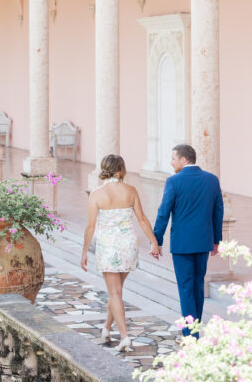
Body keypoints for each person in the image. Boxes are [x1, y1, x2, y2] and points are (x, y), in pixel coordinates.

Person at [81, 154, 160, 353]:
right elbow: (142, 219)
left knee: (114, 292)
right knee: (116, 291)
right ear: (120, 170)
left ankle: (124, 336)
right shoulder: (130, 190)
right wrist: (153, 241)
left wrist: (84, 251)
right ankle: (107, 328)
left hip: (108, 247)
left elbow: (90, 227)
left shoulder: (97, 194)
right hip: (127, 246)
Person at [153, 144, 224, 338]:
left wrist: (156, 240)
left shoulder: (173, 181)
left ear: (184, 160)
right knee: (197, 286)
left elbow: (163, 212)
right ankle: (194, 330)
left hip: (182, 245)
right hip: (203, 242)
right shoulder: (212, 180)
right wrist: (217, 239)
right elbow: (218, 211)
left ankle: (190, 335)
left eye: (173, 158)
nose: (171, 162)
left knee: (186, 288)